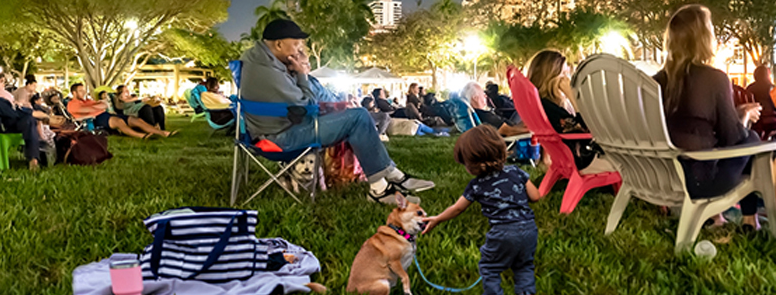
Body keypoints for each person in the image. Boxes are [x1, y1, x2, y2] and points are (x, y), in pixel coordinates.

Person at [238, 19, 433, 205]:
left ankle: (385, 181)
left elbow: (306, 99)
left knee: (356, 115)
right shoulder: (267, 71)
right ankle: (385, 183)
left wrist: (300, 73)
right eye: (296, 43)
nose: (300, 49)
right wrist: (303, 75)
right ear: (279, 44)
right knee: (358, 117)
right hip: (278, 139)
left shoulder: (264, 62)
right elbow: (307, 106)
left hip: (277, 131)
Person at [654, 5, 769, 229]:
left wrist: (738, 114)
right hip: (702, 183)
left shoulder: (656, 81)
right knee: (753, 140)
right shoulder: (713, 79)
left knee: (746, 139)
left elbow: (689, 124)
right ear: (703, 38)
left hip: (662, 178)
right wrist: (743, 120)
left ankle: (718, 218)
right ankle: (750, 219)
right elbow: (732, 139)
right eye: (711, 28)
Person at [419, 125, 543, 295]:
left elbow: (457, 209)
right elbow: (535, 196)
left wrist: (437, 218)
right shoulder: (516, 172)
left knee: (490, 267)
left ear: (471, 165)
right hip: (529, 229)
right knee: (523, 266)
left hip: (502, 232)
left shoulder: (476, 185)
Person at [524, 50, 611, 173]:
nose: (567, 79)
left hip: (567, 159)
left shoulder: (541, 103)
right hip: (583, 160)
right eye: (564, 74)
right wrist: (572, 96)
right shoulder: (549, 108)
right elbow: (586, 128)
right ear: (551, 77)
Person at [744, 65, 776, 141]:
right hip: (771, 119)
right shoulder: (772, 88)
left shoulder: (749, 88)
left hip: (754, 120)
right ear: (767, 75)